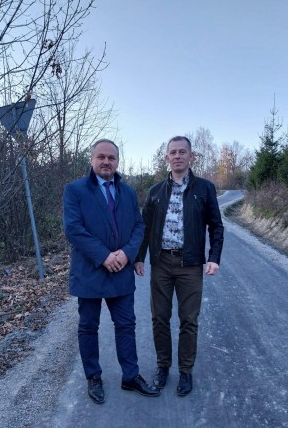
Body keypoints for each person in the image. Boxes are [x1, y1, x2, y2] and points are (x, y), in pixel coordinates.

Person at [63, 139, 160, 404]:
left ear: (117, 161)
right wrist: (104, 256)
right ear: (92, 159)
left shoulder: (128, 192)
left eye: (111, 158)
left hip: (121, 271)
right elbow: (73, 229)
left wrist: (127, 254)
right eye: (101, 157)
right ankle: (93, 377)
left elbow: (139, 226)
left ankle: (130, 376)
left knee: (126, 325)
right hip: (90, 271)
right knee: (88, 327)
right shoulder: (75, 190)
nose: (106, 162)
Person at [135, 136, 224, 396]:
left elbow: (216, 226)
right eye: (173, 152)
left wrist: (214, 257)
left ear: (191, 156)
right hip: (161, 263)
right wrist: (139, 257)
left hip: (191, 265)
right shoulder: (155, 191)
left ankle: (186, 371)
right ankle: (163, 367)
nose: (177, 156)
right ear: (167, 158)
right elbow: (144, 227)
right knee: (159, 319)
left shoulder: (205, 188)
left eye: (182, 152)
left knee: (189, 320)